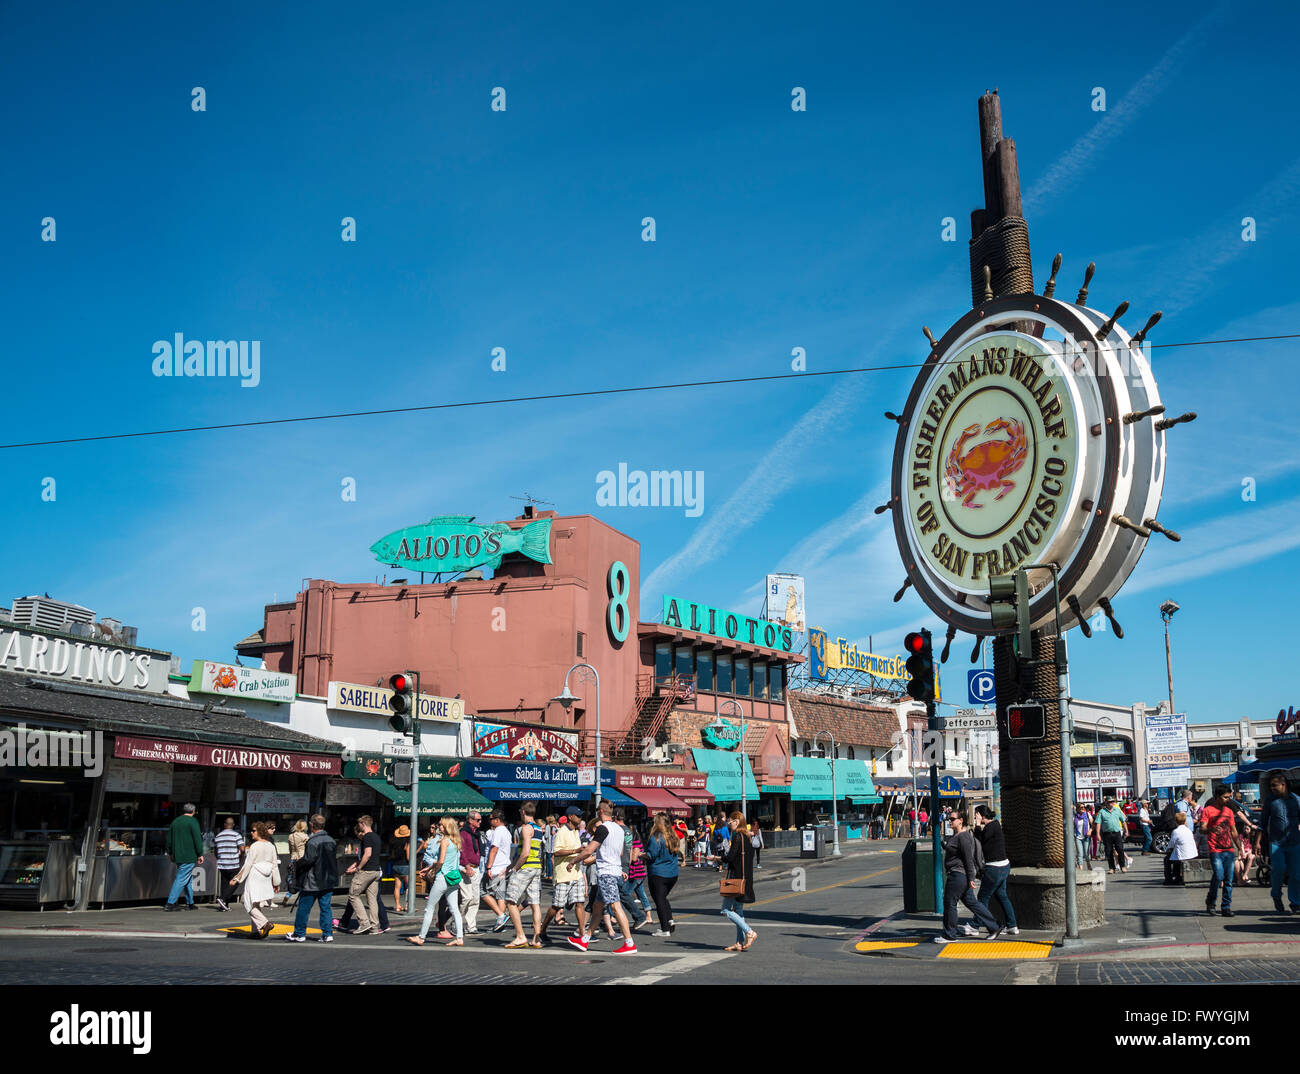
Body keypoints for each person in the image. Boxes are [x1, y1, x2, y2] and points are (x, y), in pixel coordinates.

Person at [566, 799, 637, 954]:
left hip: (607, 873)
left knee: (615, 906)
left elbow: (588, 850)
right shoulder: (619, 829)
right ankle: (584, 940)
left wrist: (573, 861)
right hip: (614, 870)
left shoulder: (603, 829)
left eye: (597, 810)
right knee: (598, 906)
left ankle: (629, 943)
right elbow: (619, 853)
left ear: (601, 812)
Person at [934, 808, 1001, 945]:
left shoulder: (963, 837)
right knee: (972, 902)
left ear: (961, 821)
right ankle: (994, 926)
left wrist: (971, 878)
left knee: (950, 903)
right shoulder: (957, 836)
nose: (950, 821)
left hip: (958, 875)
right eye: (949, 819)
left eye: (953, 819)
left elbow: (968, 859)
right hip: (961, 875)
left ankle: (949, 934)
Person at [409, 816, 464, 946]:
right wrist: (429, 867)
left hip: (442, 877)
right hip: (453, 877)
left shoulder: (444, 840)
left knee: (429, 908)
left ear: (446, 827)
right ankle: (459, 938)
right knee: (454, 908)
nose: (439, 827)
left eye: (441, 825)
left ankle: (421, 937)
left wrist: (430, 870)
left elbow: (441, 861)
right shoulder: (456, 841)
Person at [538, 807, 586, 944]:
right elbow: (556, 852)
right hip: (563, 875)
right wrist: (575, 850)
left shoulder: (576, 831)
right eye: (578, 816)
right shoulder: (561, 832)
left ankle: (582, 934)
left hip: (576, 874)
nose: (580, 818)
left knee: (580, 903)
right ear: (570, 817)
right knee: (557, 905)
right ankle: (543, 929)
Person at [287, 814, 338, 942]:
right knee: (325, 907)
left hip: (313, 879)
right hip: (328, 879)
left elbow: (308, 860)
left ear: (311, 825)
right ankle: (327, 934)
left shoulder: (313, 842)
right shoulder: (331, 840)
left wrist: (297, 864)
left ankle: (299, 933)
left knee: (304, 908)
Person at [970, 805, 1018, 936]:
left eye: (977, 815)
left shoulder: (991, 827)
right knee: (1002, 896)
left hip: (995, 868)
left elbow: (978, 841)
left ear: (982, 815)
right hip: (1003, 866)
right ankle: (1012, 925)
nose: (975, 817)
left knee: (982, 898)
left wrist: (978, 825)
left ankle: (974, 926)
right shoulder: (995, 826)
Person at [504, 801, 545, 949]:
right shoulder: (539, 828)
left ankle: (520, 936)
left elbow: (525, 852)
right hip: (536, 867)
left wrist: (514, 868)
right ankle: (536, 938)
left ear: (522, 812)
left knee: (510, 901)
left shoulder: (526, 829)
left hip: (526, 867)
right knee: (535, 903)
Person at [232, 821, 281, 938]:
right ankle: (255, 931)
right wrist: (276, 882)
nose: (251, 833)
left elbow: (247, 865)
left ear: (259, 832)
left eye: (253, 831)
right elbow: (274, 865)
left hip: (254, 875)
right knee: (256, 903)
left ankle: (265, 923)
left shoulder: (254, 846)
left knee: (247, 902)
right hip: (266, 876)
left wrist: (237, 878)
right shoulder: (270, 845)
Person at [1199, 786, 1242, 918]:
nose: (1228, 800)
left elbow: (1234, 831)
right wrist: (1211, 830)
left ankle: (1226, 907)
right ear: (1217, 797)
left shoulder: (1229, 811)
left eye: (1229, 797)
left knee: (1229, 879)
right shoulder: (1207, 810)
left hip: (1228, 849)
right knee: (1218, 876)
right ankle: (1211, 902)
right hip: (1215, 849)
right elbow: (1202, 829)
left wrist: (1239, 847)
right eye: (1225, 797)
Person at [719, 811, 758, 952]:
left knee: (725, 910)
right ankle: (739, 942)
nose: (729, 824)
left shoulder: (737, 836)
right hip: (745, 878)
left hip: (736, 879)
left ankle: (749, 932)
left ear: (736, 821)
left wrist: (719, 857)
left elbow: (730, 858)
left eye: (730, 821)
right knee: (739, 910)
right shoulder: (747, 836)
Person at [344, 815, 384, 935]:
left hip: (367, 870)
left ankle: (364, 922)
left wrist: (359, 868)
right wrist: (356, 865)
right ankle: (374, 926)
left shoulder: (367, 837)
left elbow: (367, 854)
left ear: (363, 824)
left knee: (353, 894)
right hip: (376, 870)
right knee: (372, 899)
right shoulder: (376, 837)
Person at [642, 812, 680, 937]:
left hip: (659, 872)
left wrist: (640, 854)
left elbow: (651, 855)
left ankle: (665, 929)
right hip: (672, 873)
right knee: (663, 898)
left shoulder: (656, 837)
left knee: (659, 900)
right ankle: (669, 920)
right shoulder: (672, 836)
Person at [1267, 774, 1300, 913]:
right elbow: (1263, 822)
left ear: (1283, 785)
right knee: (1278, 870)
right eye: (1270, 786)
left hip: (1294, 841)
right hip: (1276, 843)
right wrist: (1258, 842)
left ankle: (1295, 902)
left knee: (1296, 874)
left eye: (1274, 785)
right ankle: (1276, 895)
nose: (1272, 788)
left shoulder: (1296, 800)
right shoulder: (1270, 801)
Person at [163, 803, 204, 911]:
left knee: (188, 878)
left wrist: (170, 852)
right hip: (189, 855)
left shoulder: (175, 821)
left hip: (178, 855)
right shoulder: (193, 822)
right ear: (193, 811)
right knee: (181, 878)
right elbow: (197, 839)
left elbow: (169, 839)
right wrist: (200, 853)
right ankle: (170, 903)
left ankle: (190, 902)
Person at [482, 809, 513, 933]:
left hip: (496, 866)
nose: (489, 821)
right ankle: (500, 923)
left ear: (497, 820)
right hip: (503, 866)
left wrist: (489, 867)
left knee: (482, 891)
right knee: (500, 895)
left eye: (491, 819)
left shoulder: (498, 831)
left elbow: (494, 849)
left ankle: (501, 916)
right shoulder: (506, 831)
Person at [212, 816, 244, 912]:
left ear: (225, 825)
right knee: (236, 881)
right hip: (233, 863)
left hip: (222, 863)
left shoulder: (218, 836)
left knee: (225, 883)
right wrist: (240, 856)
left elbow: (215, 850)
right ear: (233, 825)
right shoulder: (236, 835)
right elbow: (242, 848)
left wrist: (219, 858)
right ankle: (222, 898)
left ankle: (224, 905)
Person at [1097, 798, 1130, 874]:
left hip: (1116, 833)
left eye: (1112, 802)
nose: (1111, 803)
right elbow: (1098, 823)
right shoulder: (1102, 812)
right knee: (1109, 851)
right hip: (1107, 834)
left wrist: (1126, 831)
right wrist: (1098, 834)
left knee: (1120, 849)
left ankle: (1122, 866)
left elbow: (1123, 821)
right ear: (1106, 803)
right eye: (1109, 802)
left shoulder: (1117, 810)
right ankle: (1112, 868)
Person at [1164, 813, 1197, 885]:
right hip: (1192, 854)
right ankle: (1178, 876)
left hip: (1182, 855)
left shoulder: (1176, 831)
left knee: (1167, 859)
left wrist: (1167, 850)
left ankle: (1169, 879)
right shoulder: (1188, 830)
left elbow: (1171, 844)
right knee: (1175, 855)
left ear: (1176, 821)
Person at [284, 819, 309, 907]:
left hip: (293, 858)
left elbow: (290, 849)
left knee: (293, 879)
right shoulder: (305, 837)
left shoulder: (291, 836)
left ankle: (288, 895)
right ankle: (302, 900)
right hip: (302, 859)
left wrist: (292, 856)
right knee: (302, 880)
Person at [389, 824, 412, 914]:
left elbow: (392, 855)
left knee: (397, 887)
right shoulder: (407, 843)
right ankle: (407, 905)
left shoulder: (394, 843)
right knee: (409, 886)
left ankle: (398, 905)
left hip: (396, 865)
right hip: (405, 865)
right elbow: (408, 856)